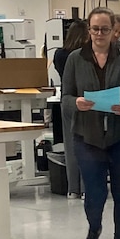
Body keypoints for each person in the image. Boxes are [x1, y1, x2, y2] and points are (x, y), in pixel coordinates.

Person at [61, 7, 120, 239]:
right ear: (89, 30)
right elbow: (64, 99)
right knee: (95, 194)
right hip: (88, 136)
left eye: (105, 29)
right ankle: (94, 227)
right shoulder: (75, 59)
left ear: (113, 32)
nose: (99, 34)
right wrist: (77, 102)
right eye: (95, 29)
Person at [53, 19, 89, 199]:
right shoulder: (85, 54)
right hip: (87, 101)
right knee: (88, 145)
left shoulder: (59, 54)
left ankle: (73, 188)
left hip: (67, 101)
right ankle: (85, 188)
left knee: (70, 146)